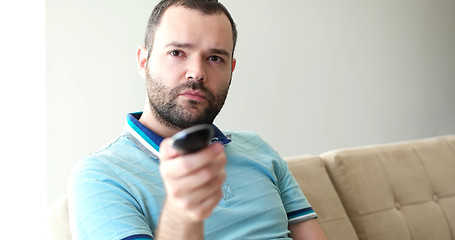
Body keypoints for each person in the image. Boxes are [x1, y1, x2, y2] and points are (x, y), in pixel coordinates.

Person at [68, 0, 328, 239]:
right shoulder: (99, 176)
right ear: (143, 61)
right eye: (177, 52)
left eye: (214, 58)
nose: (197, 72)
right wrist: (183, 212)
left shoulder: (258, 148)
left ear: (231, 70)